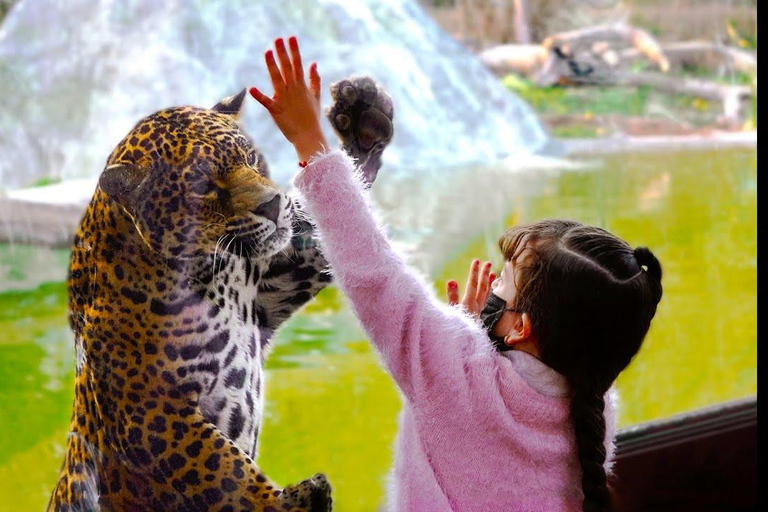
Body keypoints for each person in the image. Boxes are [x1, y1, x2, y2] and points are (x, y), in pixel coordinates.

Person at [249, 36, 663, 512]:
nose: (493, 289)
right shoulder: (597, 408)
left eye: (504, 283)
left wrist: (311, 145)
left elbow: (375, 275)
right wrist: (468, 344)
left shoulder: (458, 370)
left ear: (522, 327)